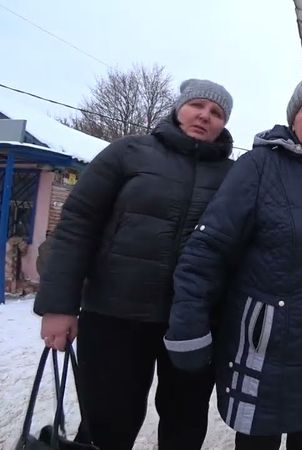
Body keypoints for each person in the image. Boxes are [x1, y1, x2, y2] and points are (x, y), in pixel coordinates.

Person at [164, 76, 302, 450]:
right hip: (268, 341)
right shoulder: (259, 166)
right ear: (294, 118)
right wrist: (188, 327)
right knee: (259, 438)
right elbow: (208, 249)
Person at [34, 79, 235, 450]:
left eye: (216, 113)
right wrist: (58, 305)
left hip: (192, 324)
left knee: (185, 425)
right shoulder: (127, 153)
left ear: (224, 124)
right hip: (115, 316)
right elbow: (78, 225)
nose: (205, 116)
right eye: (197, 106)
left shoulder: (232, 175)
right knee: (108, 423)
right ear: (179, 108)